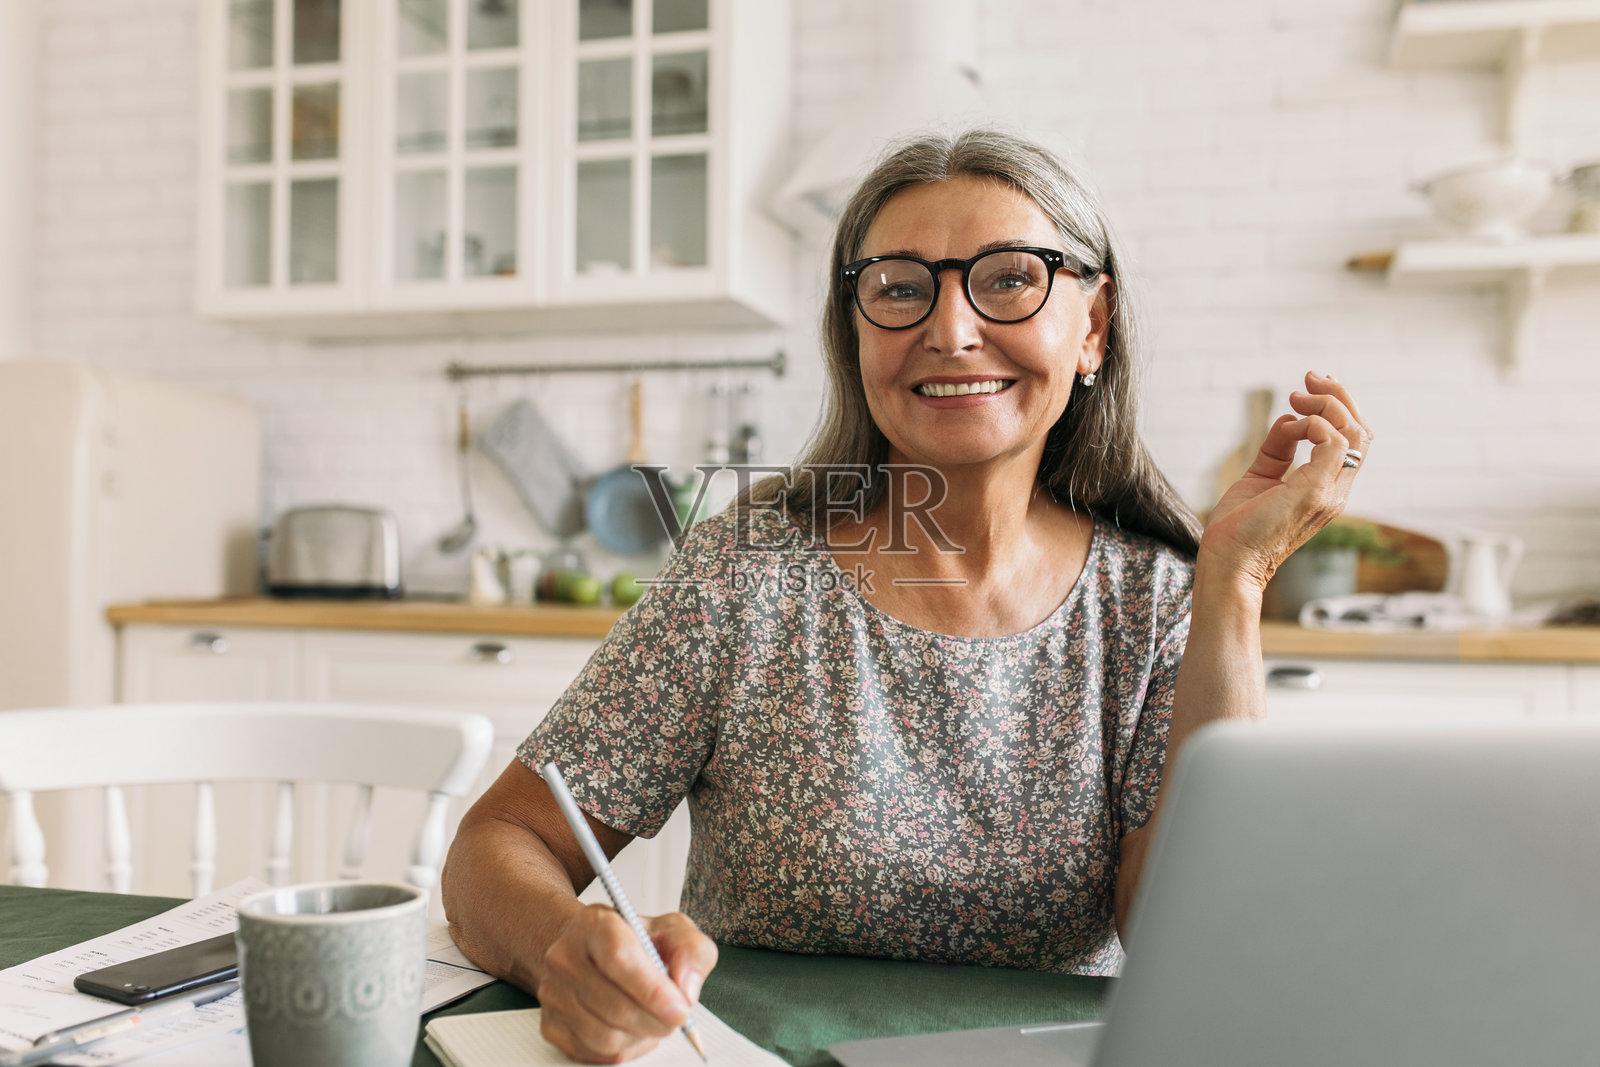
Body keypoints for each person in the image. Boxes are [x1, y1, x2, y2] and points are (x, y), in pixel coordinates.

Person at [441, 127, 1373, 1064]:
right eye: (898, 288)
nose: (950, 328)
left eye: (1010, 277)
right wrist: (569, 949)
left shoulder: (1157, 607)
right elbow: (499, 843)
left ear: (1093, 327)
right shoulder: (744, 571)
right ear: (856, 334)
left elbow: (1199, 945)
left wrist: (1233, 586)